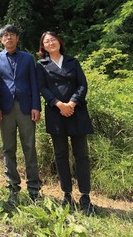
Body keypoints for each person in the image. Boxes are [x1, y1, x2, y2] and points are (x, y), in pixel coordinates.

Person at [35, 31, 95, 215]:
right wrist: (59, 104)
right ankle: (66, 194)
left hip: (76, 112)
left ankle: (85, 195)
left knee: (81, 155)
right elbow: (42, 88)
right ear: (43, 46)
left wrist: (72, 103)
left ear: (59, 42)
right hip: (56, 112)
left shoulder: (73, 62)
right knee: (61, 155)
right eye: (46, 41)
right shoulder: (41, 65)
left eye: (53, 40)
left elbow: (82, 85)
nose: (50, 43)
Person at [0, 25, 42, 206]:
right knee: (8, 148)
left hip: (26, 108)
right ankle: (13, 187)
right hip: (5, 109)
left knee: (29, 147)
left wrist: (37, 106)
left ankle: (34, 189)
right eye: (5, 35)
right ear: (1, 40)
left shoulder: (28, 58)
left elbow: (34, 83)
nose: (9, 38)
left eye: (12, 35)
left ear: (17, 38)